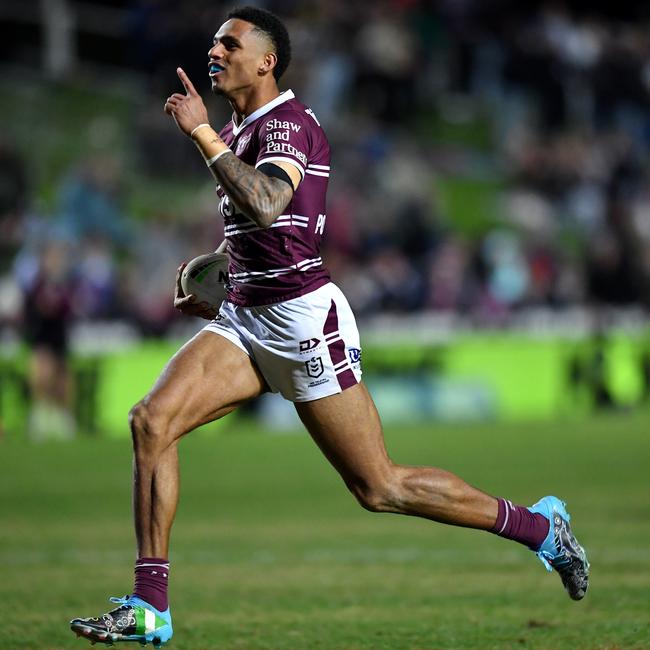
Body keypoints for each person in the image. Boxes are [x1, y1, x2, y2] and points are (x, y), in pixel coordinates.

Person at [70, 7, 589, 647]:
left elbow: (266, 203)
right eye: (212, 42)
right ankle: (150, 608)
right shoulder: (243, 126)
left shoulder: (286, 123)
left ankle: (539, 528)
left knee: (380, 487)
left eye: (229, 44)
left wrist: (204, 136)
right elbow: (267, 232)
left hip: (302, 323)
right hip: (247, 317)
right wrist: (217, 275)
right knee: (152, 421)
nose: (215, 52)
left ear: (266, 61)